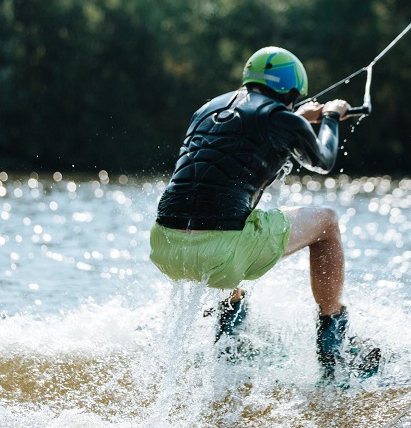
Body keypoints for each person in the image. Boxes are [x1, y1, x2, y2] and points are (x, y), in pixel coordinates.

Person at [149, 46, 379, 379]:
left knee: (234, 217)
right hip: (222, 252)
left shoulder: (206, 110)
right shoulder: (282, 119)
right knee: (327, 221)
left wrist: (299, 120)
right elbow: (323, 160)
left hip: (166, 245)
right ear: (291, 91)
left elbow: (244, 142)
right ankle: (334, 343)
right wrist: (330, 116)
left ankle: (229, 336)